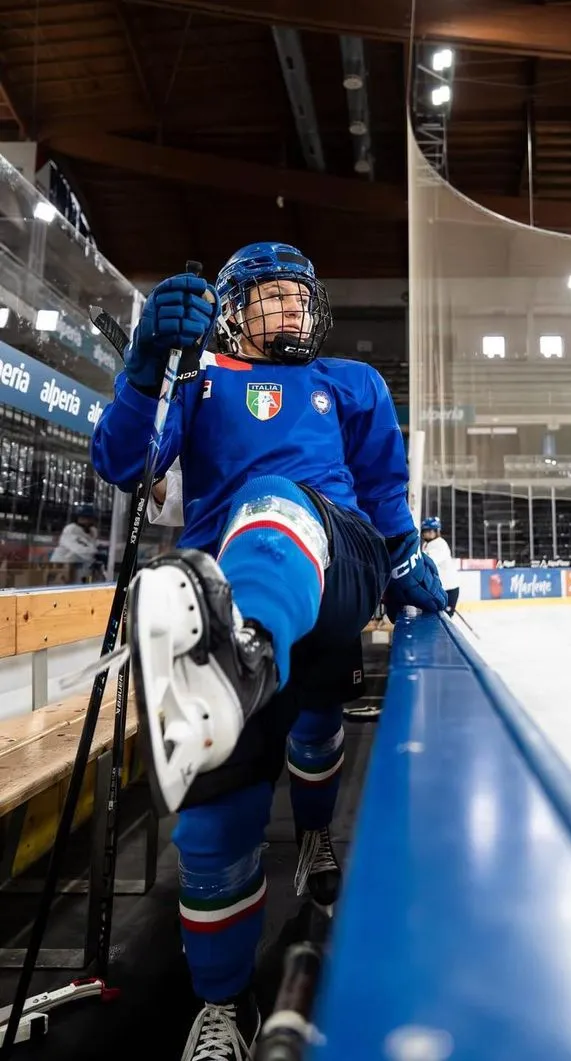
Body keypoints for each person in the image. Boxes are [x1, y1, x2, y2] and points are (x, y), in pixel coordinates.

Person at [91, 242, 446, 1061]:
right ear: (230, 310)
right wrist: (145, 370)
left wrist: (404, 565)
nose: (291, 308)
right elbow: (123, 462)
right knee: (215, 827)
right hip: (223, 586)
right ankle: (223, 1004)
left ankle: (244, 663)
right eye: (272, 296)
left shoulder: (351, 383)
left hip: (336, 556)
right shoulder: (196, 378)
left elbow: (383, 491)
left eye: (300, 297)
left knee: (276, 503)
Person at [146, 459, 363, 906]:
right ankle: (230, 861)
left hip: (323, 561)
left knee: (318, 723)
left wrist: (394, 555)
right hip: (231, 576)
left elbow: (371, 474)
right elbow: (180, 486)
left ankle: (315, 833)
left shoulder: (347, 407)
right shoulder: (196, 407)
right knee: (226, 774)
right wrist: (151, 470)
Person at [50, 503, 101, 583]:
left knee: (86, 583)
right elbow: (79, 549)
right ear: (77, 518)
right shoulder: (71, 529)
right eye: (82, 518)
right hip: (63, 563)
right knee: (66, 587)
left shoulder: (93, 531)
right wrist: (96, 553)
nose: (86, 520)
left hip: (82, 565)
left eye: (89, 518)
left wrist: (99, 549)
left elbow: (92, 545)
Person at [421, 516, 459, 616]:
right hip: (439, 590)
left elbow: (429, 562)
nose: (427, 533)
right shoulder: (426, 544)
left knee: (444, 619)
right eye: (425, 531)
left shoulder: (440, 544)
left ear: (436, 531)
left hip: (449, 590)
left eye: (430, 531)